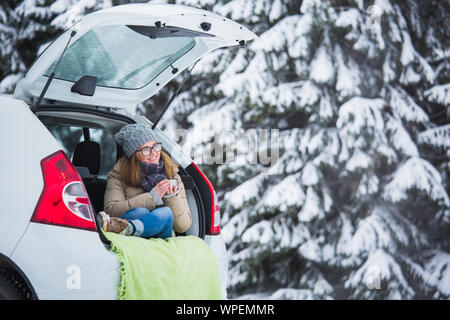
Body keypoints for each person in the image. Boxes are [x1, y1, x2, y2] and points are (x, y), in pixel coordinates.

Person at [99, 122, 192, 239]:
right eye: (146, 150)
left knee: (165, 213)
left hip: (162, 237)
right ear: (133, 155)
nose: (154, 153)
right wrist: (152, 198)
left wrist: (171, 197)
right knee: (139, 213)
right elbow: (111, 211)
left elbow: (183, 226)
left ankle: (130, 228)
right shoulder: (118, 176)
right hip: (133, 239)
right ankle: (130, 228)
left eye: (155, 146)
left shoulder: (172, 174)